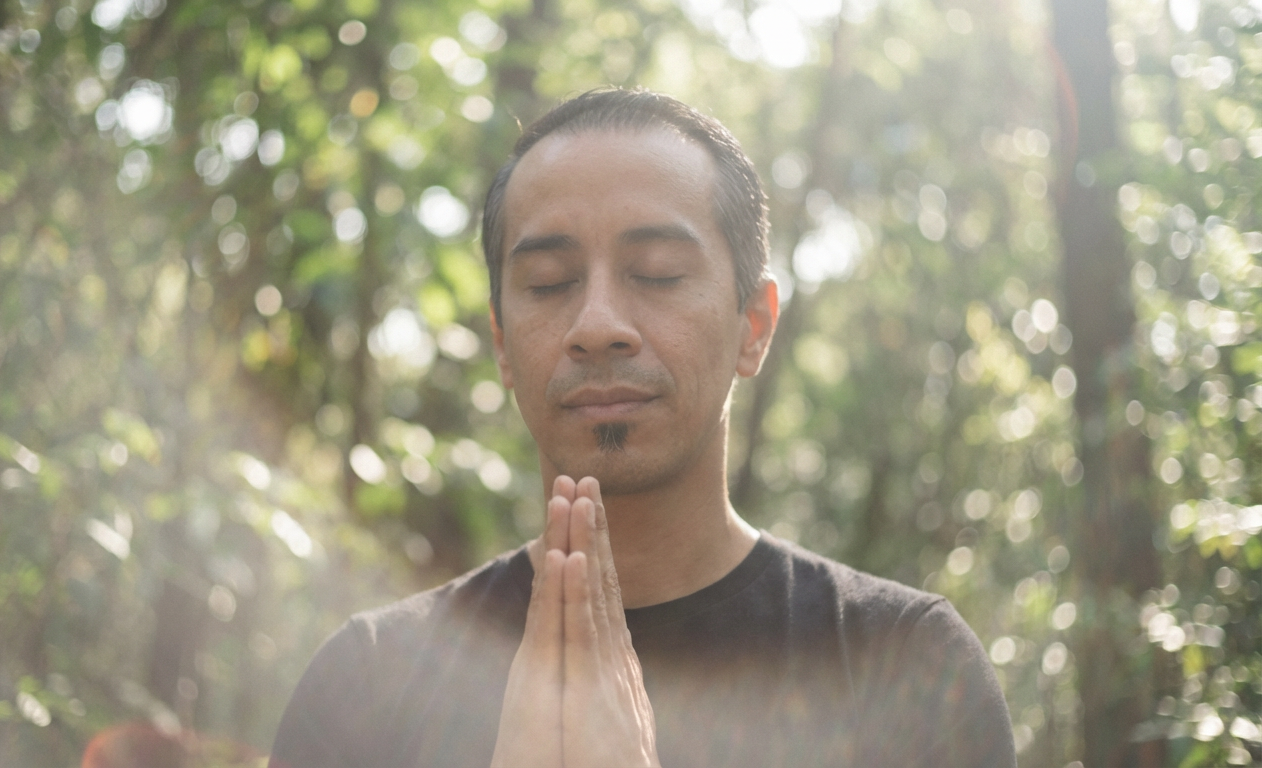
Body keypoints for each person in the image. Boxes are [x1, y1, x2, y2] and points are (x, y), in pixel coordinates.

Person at [270, 87, 1016, 768]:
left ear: (753, 325)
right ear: (501, 341)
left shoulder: (906, 664)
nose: (597, 325)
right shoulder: (367, 683)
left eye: (657, 272)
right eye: (550, 283)